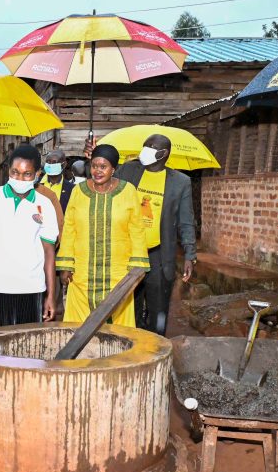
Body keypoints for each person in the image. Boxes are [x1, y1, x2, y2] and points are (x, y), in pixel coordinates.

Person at [111, 134, 197, 335]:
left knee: (158, 306)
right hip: (128, 252)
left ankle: (154, 347)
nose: (145, 150)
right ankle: (129, 346)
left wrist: (190, 255)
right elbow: (103, 180)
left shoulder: (180, 182)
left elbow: (186, 220)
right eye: (144, 145)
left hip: (158, 254)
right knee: (128, 304)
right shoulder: (129, 170)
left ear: (163, 153)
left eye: (150, 146)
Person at [57, 144, 149, 327]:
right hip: (82, 276)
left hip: (119, 274)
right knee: (79, 326)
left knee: (118, 328)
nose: (97, 171)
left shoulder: (128, 191)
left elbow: (137, 231)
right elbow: (69, 229)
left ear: (113, 169)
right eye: (94, 166)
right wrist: (66, 264)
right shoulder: (78, 191)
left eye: (103, 167)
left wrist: (137, 270)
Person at [0, 144, 59, 327]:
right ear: (8, 171)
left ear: (37, 174)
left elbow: (49, 252)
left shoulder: (45, 204)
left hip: (31, 289)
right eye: (14, 172)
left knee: (27, 351)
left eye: (27, 174)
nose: (20, 178)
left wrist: (50, 295)